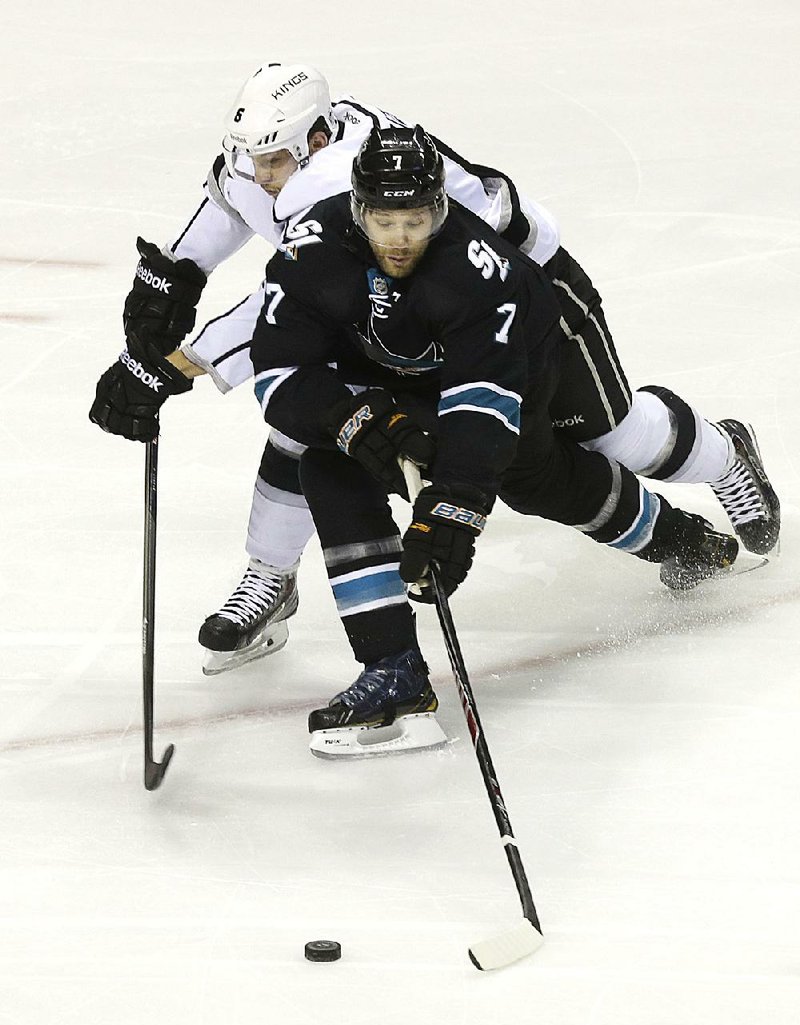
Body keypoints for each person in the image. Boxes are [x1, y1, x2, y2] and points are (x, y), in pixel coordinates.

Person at [89, 63, 780, 677]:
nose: (256, 173)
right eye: (251, 157)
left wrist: (172, 367)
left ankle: (724, 454)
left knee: (612, 434)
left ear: (318, 145)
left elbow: (276, 307)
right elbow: (239, 225)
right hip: (400, 314)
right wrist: (166, 283)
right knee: (314, 424)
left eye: (270, 161)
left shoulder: (336, 182)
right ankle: (269, 577)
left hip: (525, 301)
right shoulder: (293, 146)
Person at [234, 124, 752, 755]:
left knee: (537, 483)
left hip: (522, 362)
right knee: (329, 466)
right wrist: (354, 418)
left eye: (418, 220)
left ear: (441, 209)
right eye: (385, 221)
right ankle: (392, 669)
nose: (400, 240)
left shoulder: (478, 271)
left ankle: (683, 538)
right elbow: (282, 370)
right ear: (357, 209)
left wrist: (455, 511)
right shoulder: (308, 250)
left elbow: (481, 406)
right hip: (388, 372)